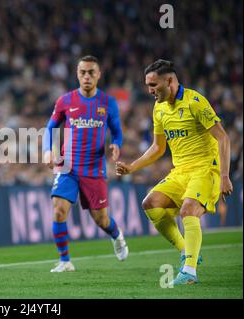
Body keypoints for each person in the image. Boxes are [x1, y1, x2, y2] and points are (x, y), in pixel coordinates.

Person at [115, 59, 233, 285]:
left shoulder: (195, 102)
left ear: (169, 81)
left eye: (153, 85)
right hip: (180, 172)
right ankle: (186, 251)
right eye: (147, 85)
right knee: (150, 203)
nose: (149, 90)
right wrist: (132, 166)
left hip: (205, 169)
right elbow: (158, 148)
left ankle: (189, 272)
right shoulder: (159, 108)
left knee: (189, 210)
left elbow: (223, 137)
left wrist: (225, 176)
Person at [43, 55, 129, 273]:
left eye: (91, 72)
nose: (87, 76)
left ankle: (117, 235)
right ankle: (65, 261)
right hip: (68, 167)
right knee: (58, 211)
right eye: (83, 72)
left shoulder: (108, 103)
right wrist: (48, 150)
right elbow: (50, 128)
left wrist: (116, 145)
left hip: (93, 169)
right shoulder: (65, 101)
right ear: (77, 74)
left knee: (101, 219)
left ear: (99, 74)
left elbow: (117, 132)